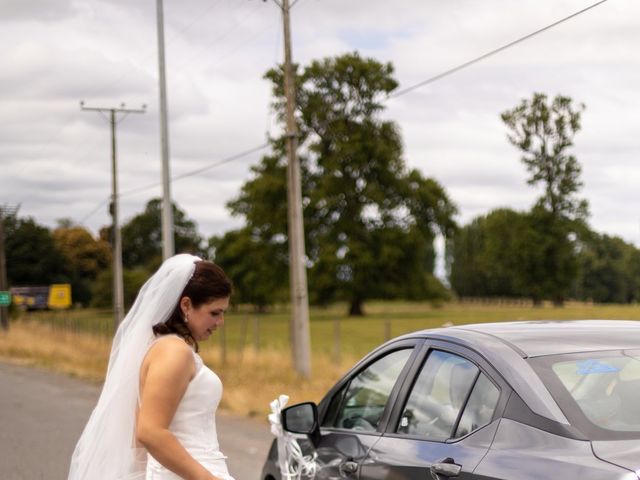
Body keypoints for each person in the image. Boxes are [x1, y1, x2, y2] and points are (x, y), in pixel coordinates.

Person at [68, 254, 234, 480]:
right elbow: (150, 432)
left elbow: (139, 443)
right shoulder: (174, 353)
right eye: (215, 313)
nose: (220, 322)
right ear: (186, 305)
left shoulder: (162, 348)